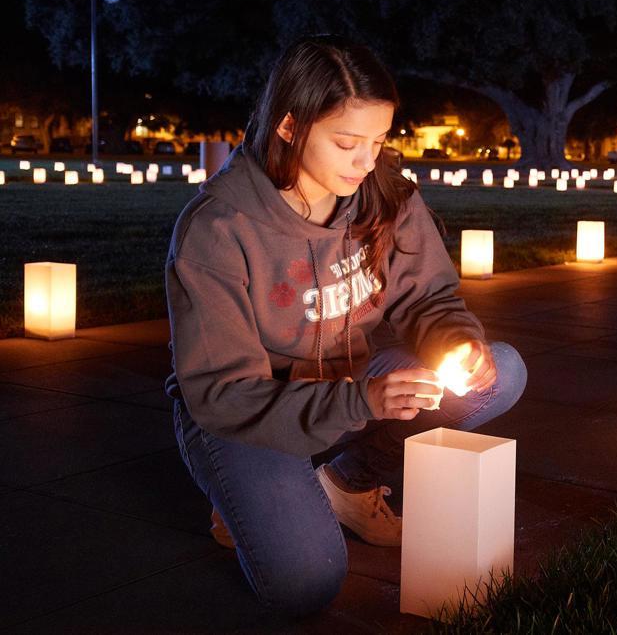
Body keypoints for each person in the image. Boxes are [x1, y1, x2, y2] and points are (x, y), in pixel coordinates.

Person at [164, 36, 527, 616]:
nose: (367, 161)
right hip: (246, 417)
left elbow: (430, 297)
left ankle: (347, 483)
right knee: (307, 585)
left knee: (499, 372)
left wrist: (456, 341)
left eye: (379, 141)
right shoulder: (219, 227)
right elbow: (224, 394)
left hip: (349, 387)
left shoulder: (384, 197)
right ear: (289, 126)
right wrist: (361, 401)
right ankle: (243, 493)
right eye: (347, 143)